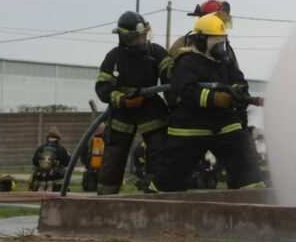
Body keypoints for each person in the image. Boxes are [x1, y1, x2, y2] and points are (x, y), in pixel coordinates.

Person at [155, 13, 263, 192]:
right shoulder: (186, 62)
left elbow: (240, 81)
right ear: (200, 41)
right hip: (190, 127)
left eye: (223, 41)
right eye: (216, 42)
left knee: (246, 169)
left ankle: (252, 198)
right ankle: (157, 204)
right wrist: (215, 98)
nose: (221, 47)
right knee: (169, 181)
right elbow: (185, 90)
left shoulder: (226, 62)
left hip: (223, 124)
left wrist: (238, 92)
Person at [95, 11, 172, 194]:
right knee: (114, 156)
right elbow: (102, 87)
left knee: (159, 151)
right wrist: (122, 100)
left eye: (143, 35)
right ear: (124, 37)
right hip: (122, 112)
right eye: (136, 37)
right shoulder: (113, 57)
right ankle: (105, 200)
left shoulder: (156, 52)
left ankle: (156, 193)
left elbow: (170, 77)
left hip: (151, 108)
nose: (141, 40)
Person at [30, 127, 70, 192]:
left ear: (48, 137)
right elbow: (67, 163)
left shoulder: (41, 148)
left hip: (41, 177)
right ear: (58, 138)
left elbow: (34, 161)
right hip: (56, 178)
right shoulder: (61, 149)